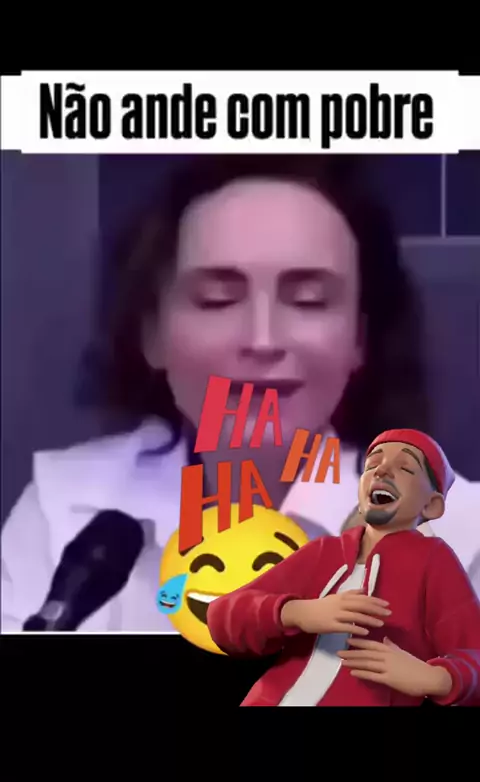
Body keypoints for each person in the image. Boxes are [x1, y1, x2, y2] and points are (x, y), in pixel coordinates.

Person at [1, 155, 479, 632]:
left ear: (360, 338)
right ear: (151, 334)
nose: (262, 340)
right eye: (217, 300)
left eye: (309, 300)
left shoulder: (458, 539)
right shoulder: (65, 512)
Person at [207, 429, 480, 707]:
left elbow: (474, 653)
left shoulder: (434, 561)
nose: (381, 471)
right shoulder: (322, 552)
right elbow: (222, 616)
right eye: (372, 465)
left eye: (405, 468)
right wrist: (295, 613)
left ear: (432, 505)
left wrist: (435, 679)